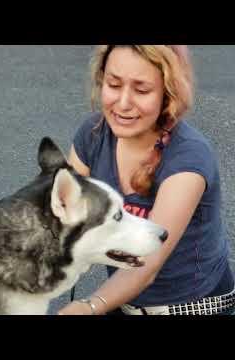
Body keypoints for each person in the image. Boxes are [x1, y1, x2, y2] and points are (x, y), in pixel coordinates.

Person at [58, 45, 235, 315]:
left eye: (141, 90)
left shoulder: (189, 159)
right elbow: (58, 214)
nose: (124, 103)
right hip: (124, 300)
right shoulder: (94, 134)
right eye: (114, 84)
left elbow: (147, 265)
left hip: (192, 308)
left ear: (168, 94)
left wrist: (91, 306)